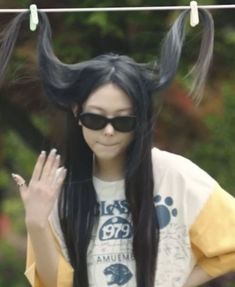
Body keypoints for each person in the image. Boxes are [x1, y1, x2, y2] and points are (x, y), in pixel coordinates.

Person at [1, 7, 234, 287]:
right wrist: (37, 222)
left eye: (123, 121)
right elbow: (56, 284)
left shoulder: (174, 175)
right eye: (95, 118)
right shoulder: (58, 189)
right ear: (77, 114)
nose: (109, 131)